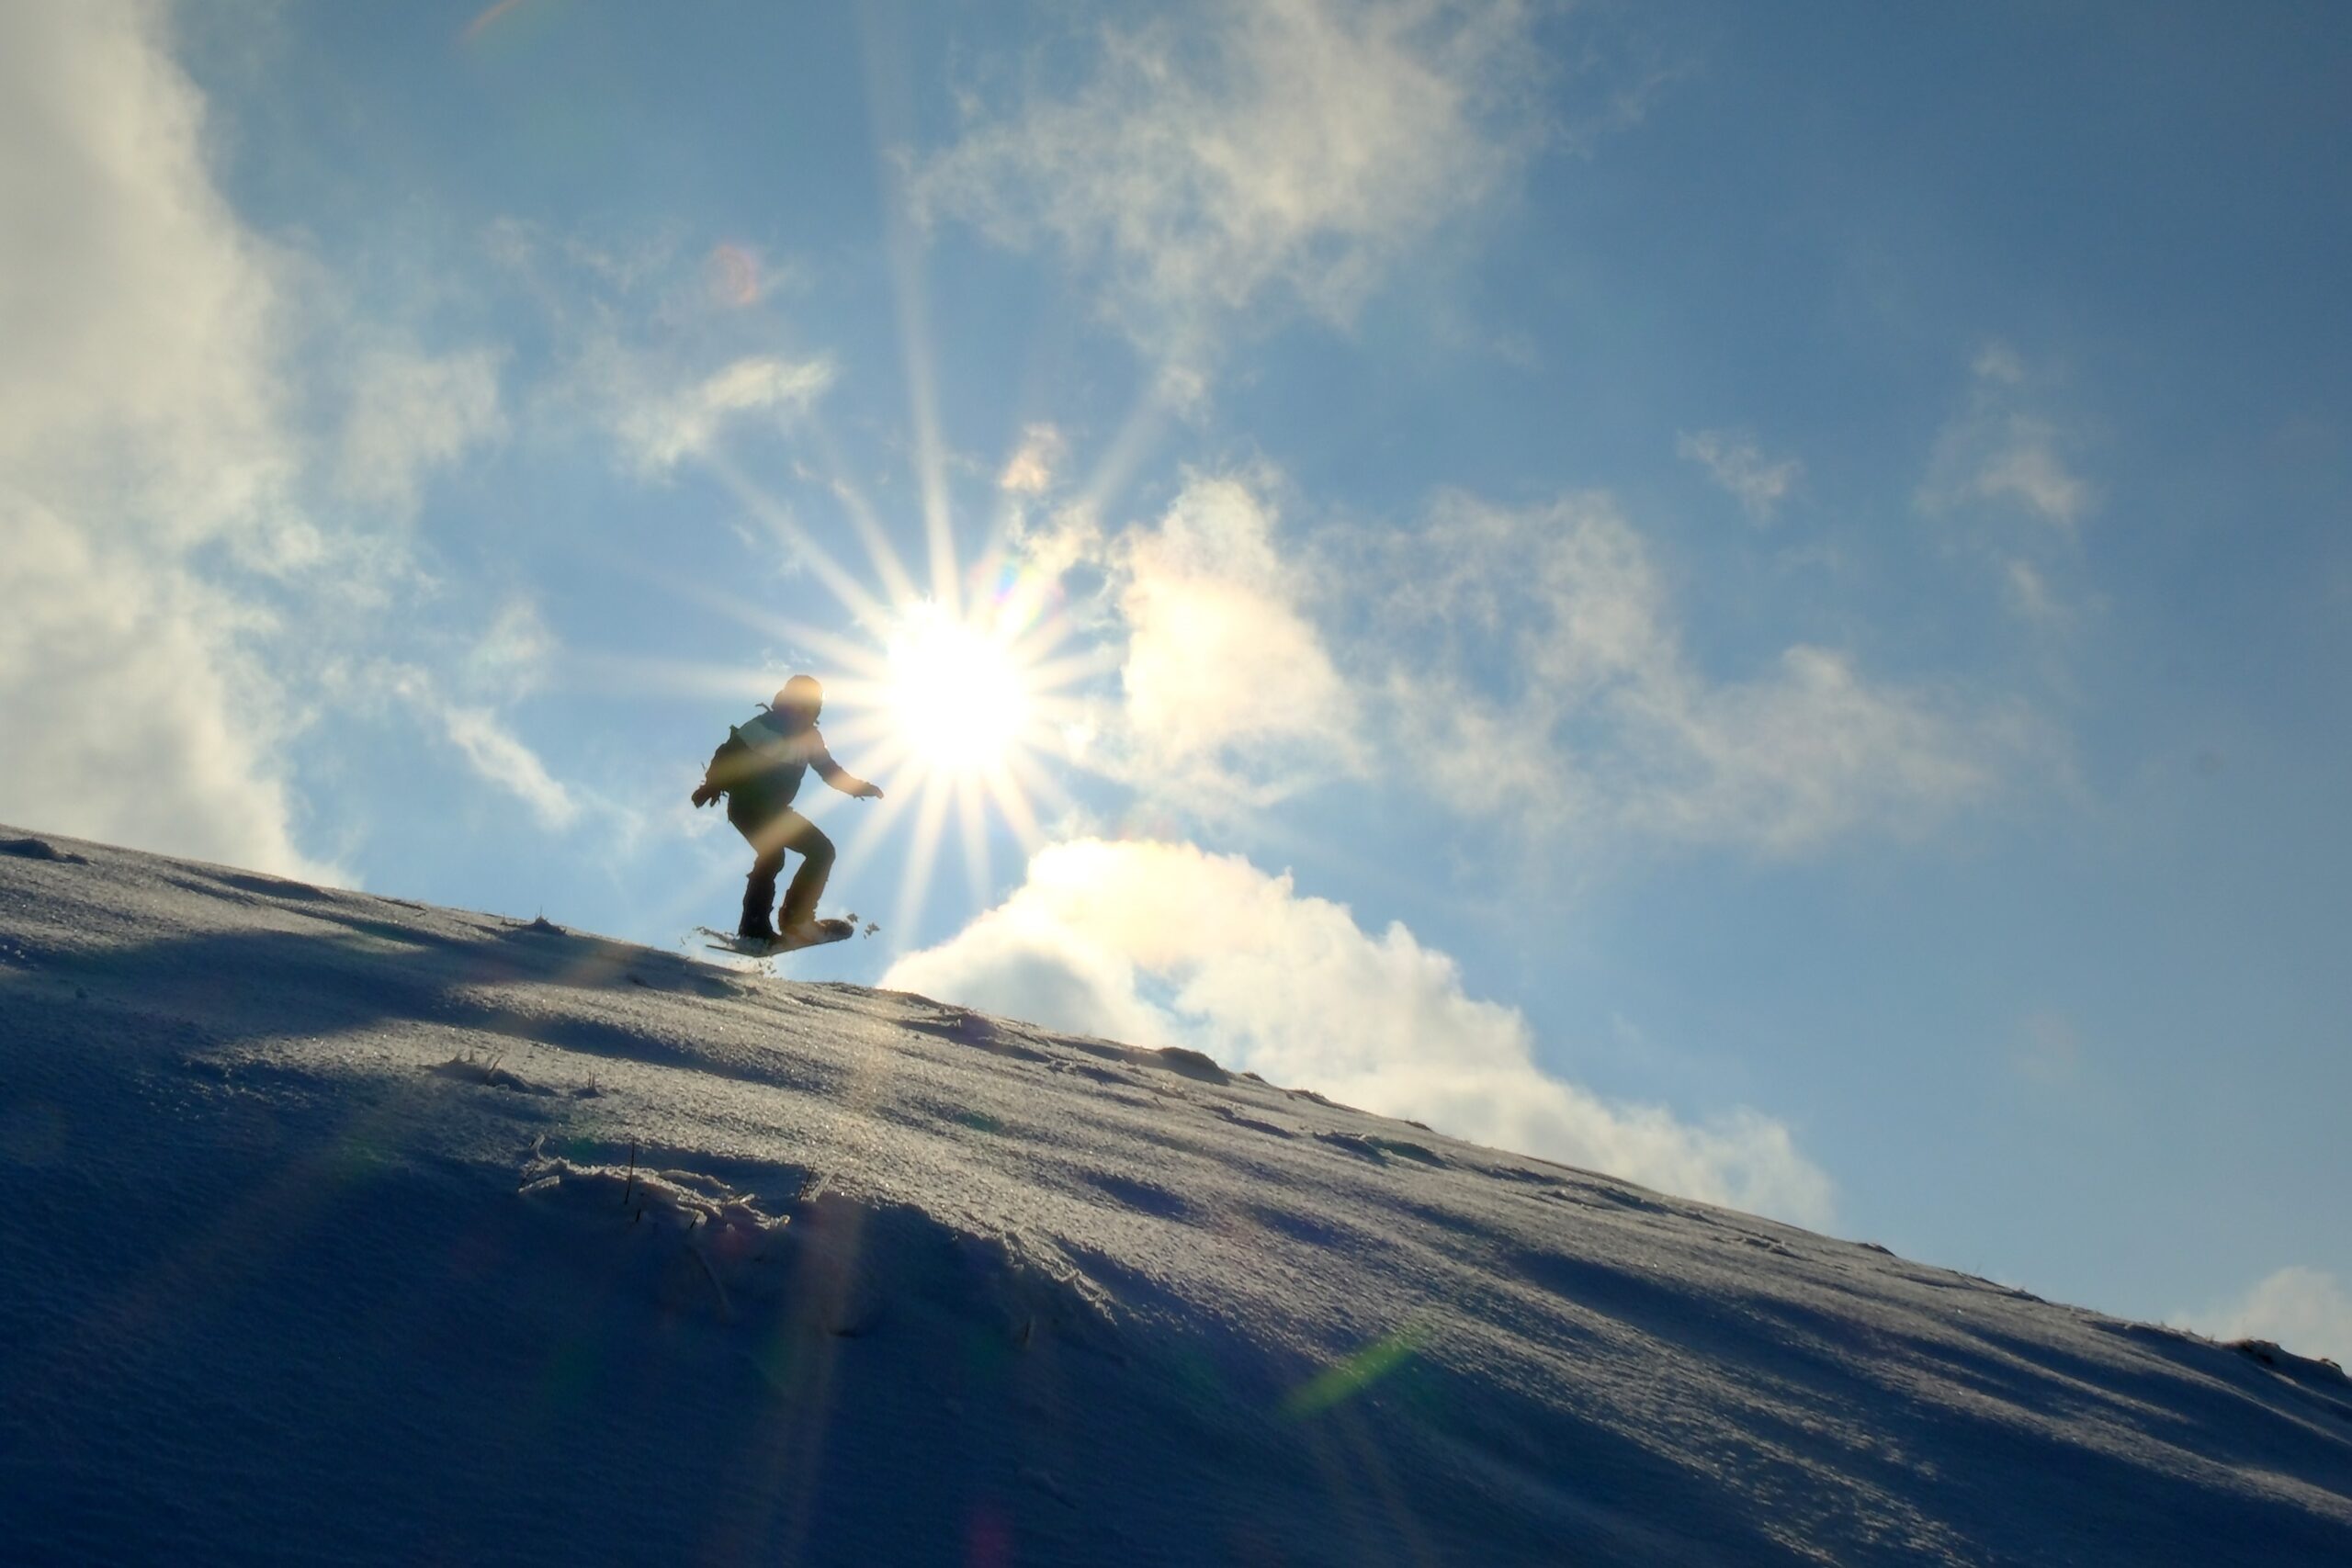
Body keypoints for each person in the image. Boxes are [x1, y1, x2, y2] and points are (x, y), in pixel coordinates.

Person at [691, 674, 883, 945]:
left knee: (822, 851)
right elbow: (727, 755)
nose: (805, 714)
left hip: (776, 812)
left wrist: (860, 788)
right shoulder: (764, 726)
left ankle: (796, 920)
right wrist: (711, 786)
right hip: (747, 805)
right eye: (801, 706)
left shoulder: (811, 738)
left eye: (812, 709)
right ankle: (753, 928)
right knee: (773, 855)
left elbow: (830, 772)